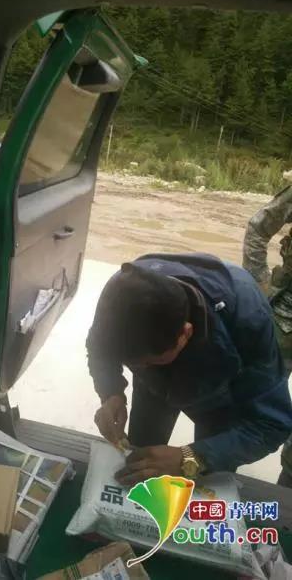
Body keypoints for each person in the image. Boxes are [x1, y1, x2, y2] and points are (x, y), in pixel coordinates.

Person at [87, 253, 292, 485]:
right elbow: (99, 347)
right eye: (132, 364)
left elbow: (272, 424)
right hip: (153, 388)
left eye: (151, 361)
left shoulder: (248, 319)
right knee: (139, 458)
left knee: (207, 475)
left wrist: (192, 457)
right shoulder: (121, 293)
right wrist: (111, 392)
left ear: (185, 333)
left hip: (219, 396)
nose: (140, 368)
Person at [243, 185, 292, 487]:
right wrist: (257, 280)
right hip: (284, 319)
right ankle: (217, 474)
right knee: (252, 403)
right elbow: (258, 228)